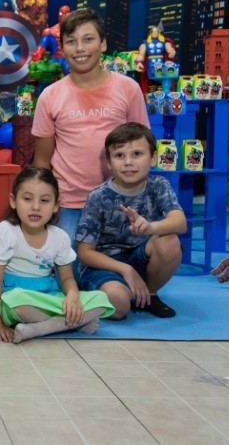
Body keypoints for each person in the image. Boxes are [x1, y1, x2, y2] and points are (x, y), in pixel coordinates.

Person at [32, 8, 149, 273]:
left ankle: (144, 289)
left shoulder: (128, 88)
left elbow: (142, 149)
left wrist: (139, 200)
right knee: (68, 276)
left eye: (88, 39)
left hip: (120, 201)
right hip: (69, 204)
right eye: (71, 41)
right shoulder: (49, 96)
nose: (80, 48)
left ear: (103, 43)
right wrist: (45, 208)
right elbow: (42, 160)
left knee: (141, 264)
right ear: (62, 48)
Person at [0, 167, 114, 344]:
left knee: (101, 299)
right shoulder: (3, 232)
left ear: (55, 205)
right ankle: (75, 323)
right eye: (27, 199)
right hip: (15, 297)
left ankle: (38, 328)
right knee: (16, 303)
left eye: (44, 200)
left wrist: (73, 296)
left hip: (48, 297)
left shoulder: (60, 237)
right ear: (13, 201)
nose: (36, 207)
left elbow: (67, 278)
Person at [76, 123, 186, 319]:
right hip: (106, 266)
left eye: (137, 154)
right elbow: (85, 253)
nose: (128, 162)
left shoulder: (158, 185)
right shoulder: (98, 197)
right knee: (118, 305)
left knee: (169, 240)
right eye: (119, 155)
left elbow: (180, 222)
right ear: (109, 163)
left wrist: (151, 227)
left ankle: (149, 294)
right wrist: (125, 269)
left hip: (141, 258)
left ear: (153, 158)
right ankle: (122, 292)